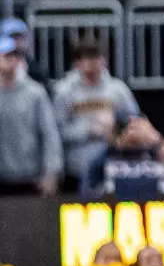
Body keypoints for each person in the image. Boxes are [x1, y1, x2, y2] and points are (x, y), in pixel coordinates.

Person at [53, 37, 140, 190]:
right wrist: (88, 129)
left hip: (113, 167)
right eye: (87, 58)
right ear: (77, 63)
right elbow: (57, 133)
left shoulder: (118, 90)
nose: (92, 63)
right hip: (76, 169)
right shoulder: (64, 92)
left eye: (97, 57)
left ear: (104, 60)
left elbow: (136, 125)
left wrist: (115, 127)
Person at [0, 34, 63, 197]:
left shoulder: (35, 92)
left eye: (15, 55)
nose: (11, 60)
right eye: (6, 55)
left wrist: (51, 171)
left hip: (31, 177)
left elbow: (49, 133)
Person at [82, 111, 164, 200]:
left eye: (140, 128)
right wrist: (114, 143)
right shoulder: (107, 158)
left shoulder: (157, 153)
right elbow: (88, 190)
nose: (136, 133)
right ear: (118, 136)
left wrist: (157, 139)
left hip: (157, 212)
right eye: (131, 128)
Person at [0, 19, 49, 87]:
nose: (17, 41)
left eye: (20, 37)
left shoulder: (33, 66)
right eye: (13, 37)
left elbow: (44, 89)